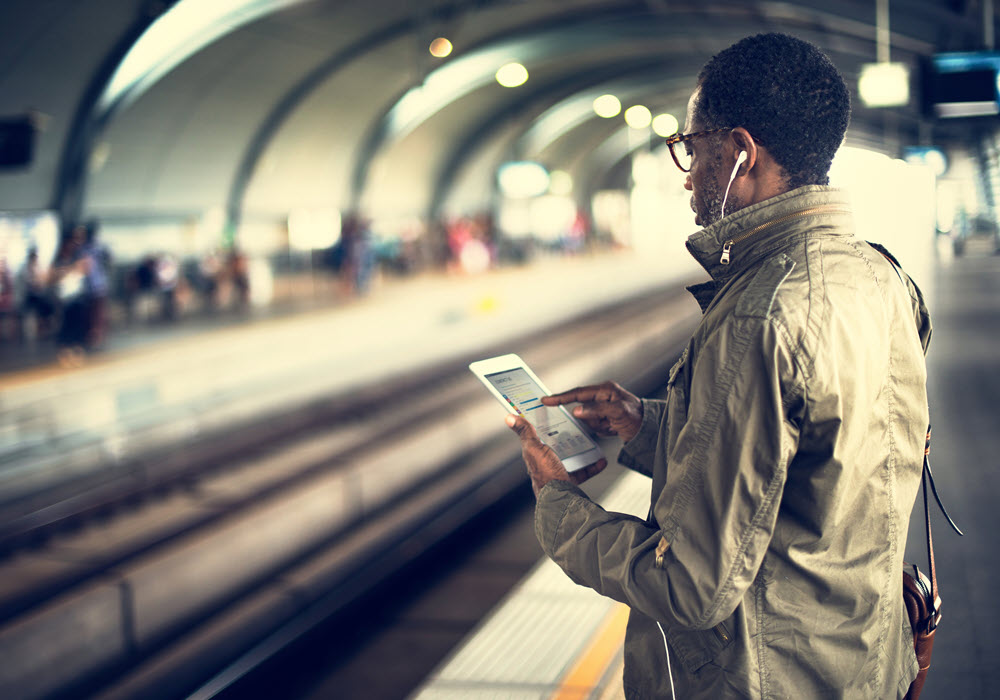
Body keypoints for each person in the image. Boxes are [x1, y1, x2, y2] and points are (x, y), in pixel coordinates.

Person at [505, 33, 930, 699]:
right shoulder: (879, 275)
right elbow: (810, 459)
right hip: (863, 662)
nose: (687, 172)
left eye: (692, 149)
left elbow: (691, 586)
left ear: (739, 152)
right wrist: (644, 423)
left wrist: (557, 504)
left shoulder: (760, 316)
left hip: (768, 679)